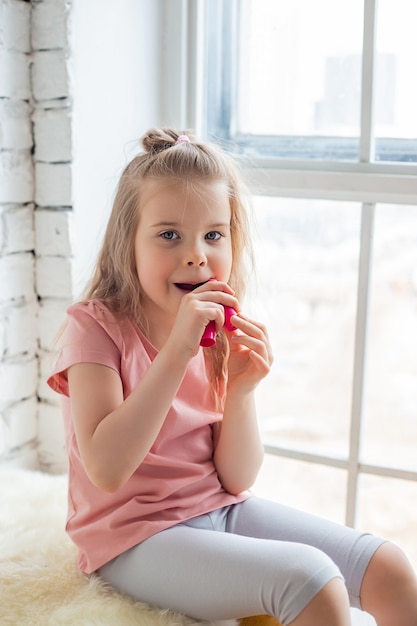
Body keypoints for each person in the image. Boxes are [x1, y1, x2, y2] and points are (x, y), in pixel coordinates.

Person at [48, 128, 417, 626]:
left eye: (213, 235)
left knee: (390, 567)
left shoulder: (214, 329)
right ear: (126, 241)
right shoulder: (94, 327)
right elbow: (107, 469)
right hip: (131, 539)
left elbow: (236, 479)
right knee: (312, 581)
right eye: (169, 235)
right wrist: (177, 352)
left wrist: (242, 394)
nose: (196, 254)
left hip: (219, 511)